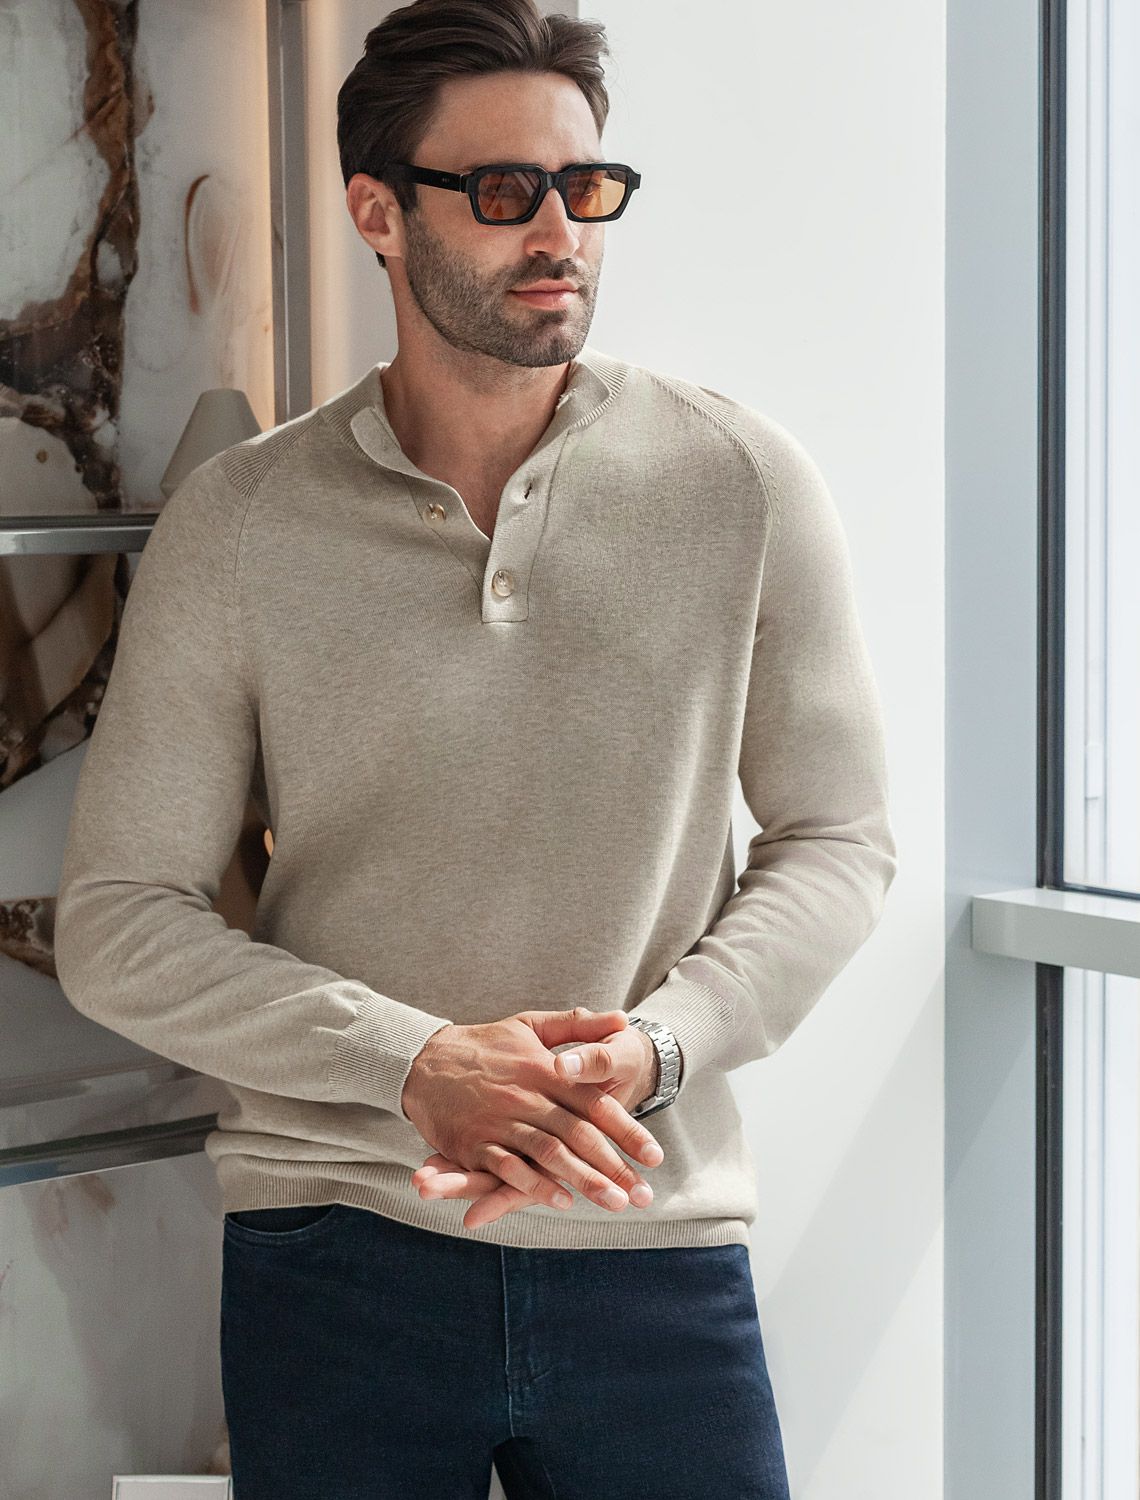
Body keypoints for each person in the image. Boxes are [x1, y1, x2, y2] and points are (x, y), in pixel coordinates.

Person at [53, 1, 898, 1495]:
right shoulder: (242, 523)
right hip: (338, 1250)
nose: (561, 232)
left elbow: (840, 841)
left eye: (587, 186)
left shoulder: (744, 483)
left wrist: (659, 1047)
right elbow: (121, 923)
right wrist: (415, 1065)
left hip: (649, 1232)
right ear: (379, 212)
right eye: (505, 191)